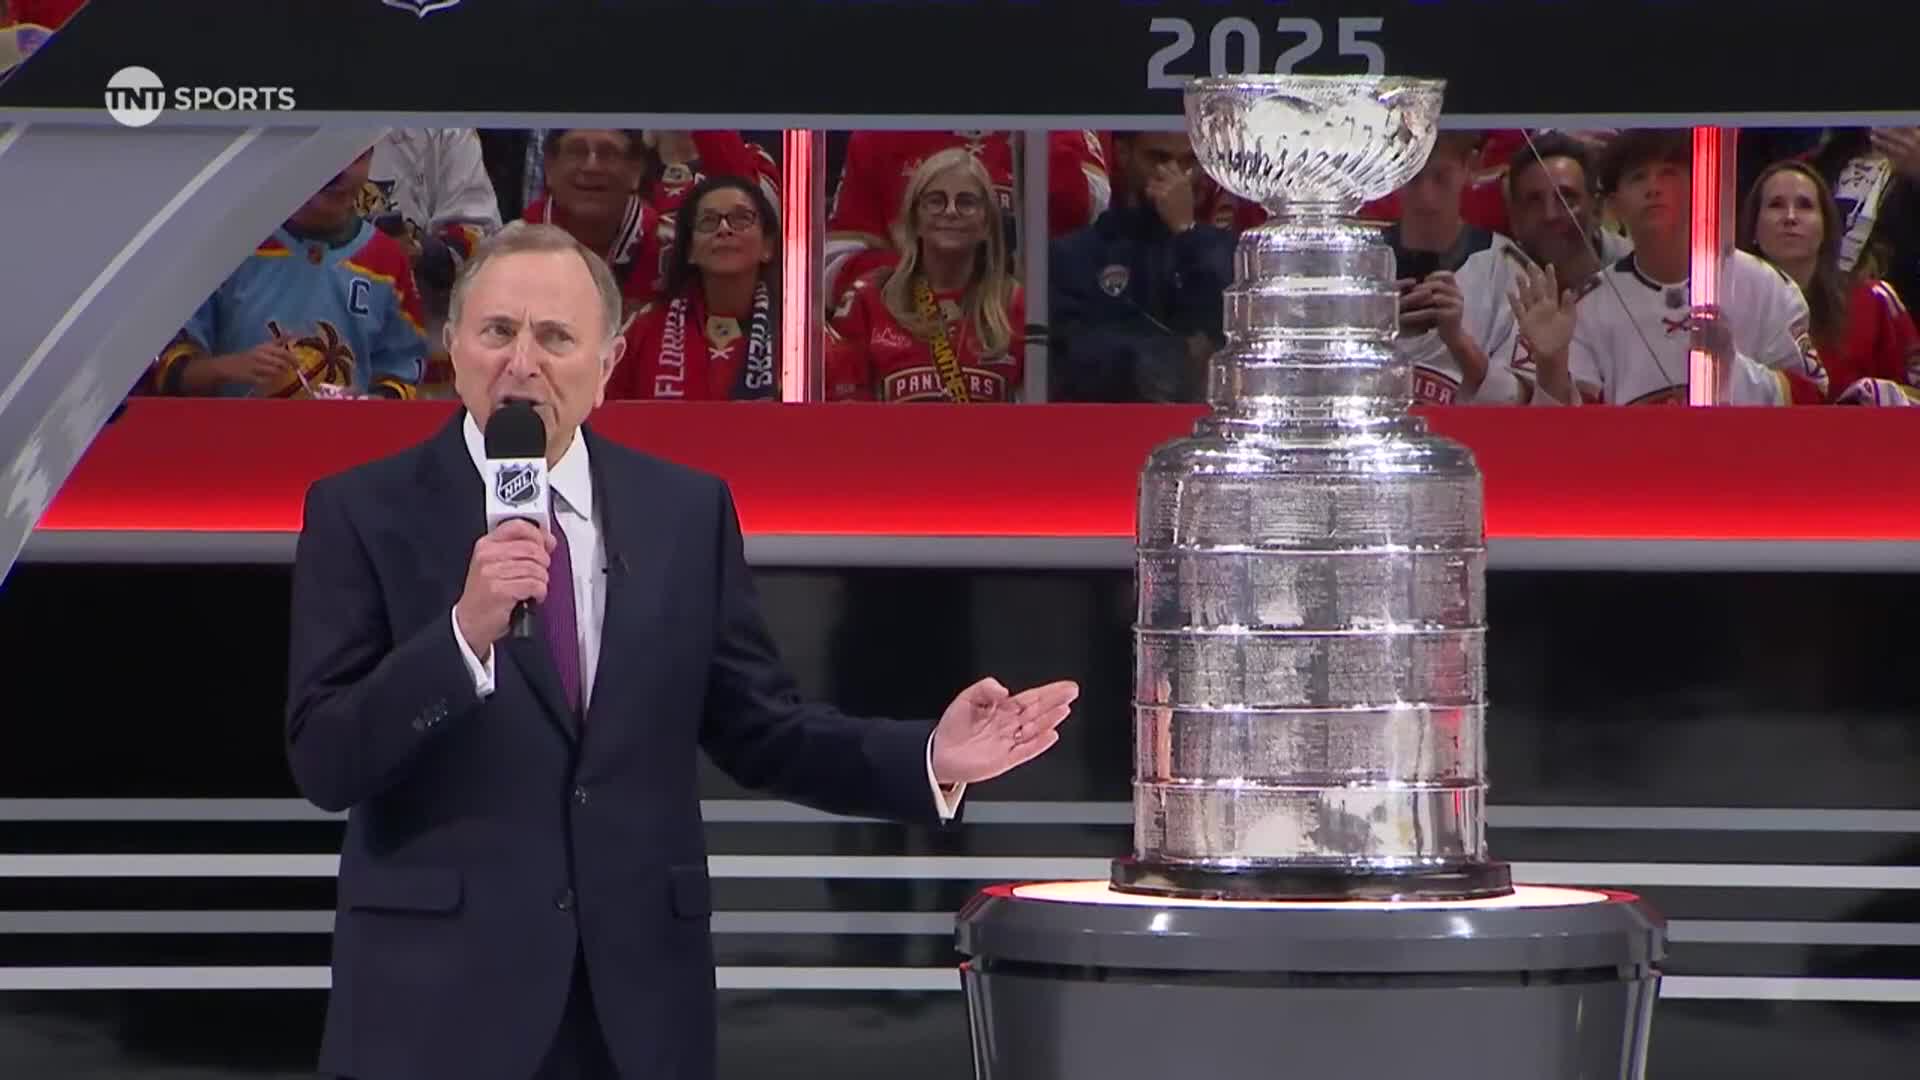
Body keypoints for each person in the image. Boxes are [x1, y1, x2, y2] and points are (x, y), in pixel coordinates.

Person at [284, 220, 1079, 1080]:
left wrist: (930, 755)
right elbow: (328, 759)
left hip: (633, 1006)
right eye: (497, 331)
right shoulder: (361, 512)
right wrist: (461, 636)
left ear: (609, 359)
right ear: (452, 344)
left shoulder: (683, 513)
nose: (523, 362)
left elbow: (759, 728)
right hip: (434, 1008)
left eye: (555, 336)